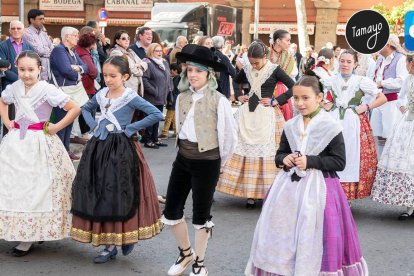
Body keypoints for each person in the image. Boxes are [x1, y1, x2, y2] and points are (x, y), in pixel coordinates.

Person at [245, 75, 368, 276]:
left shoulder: (331, 126)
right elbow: (280, 153)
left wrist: (310, 161)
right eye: (296, 98)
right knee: (284, 233)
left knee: (317, 235)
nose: (299, 103)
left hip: (320, 189)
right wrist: (284, 159)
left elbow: (339, 162)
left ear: (319, 98)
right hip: (287, 191)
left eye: (305, 98)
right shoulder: (291, 125)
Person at [70, 56, 164, 263]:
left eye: (113, 76)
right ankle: (109, 245)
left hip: (121, 150)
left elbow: (156, 114)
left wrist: (130, 128)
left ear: (125, 76)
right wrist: (93, 126)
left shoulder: (130, 97)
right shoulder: (102, 94)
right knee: (101, 192)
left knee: (121, 194)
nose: (108, 80)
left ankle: (123, 235)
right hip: (98, 148)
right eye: (105, 75)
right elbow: (85, 108)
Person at [162, 44, 237, 276]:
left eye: (198, 71)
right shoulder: (182, 97)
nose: (193, 75)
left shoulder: (219, 100)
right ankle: (186, 254)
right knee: (172, 210)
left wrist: (219, 164)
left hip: (207, 161)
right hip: (183, 157)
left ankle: (200, 262)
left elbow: (229, 137)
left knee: (201, 214)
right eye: (190, 70)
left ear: (209, 74)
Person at [0, 50, 80, 257]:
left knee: (38, 186)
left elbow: (74, 108)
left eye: (30, 70)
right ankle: (23, 230)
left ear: (40, 69)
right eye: (22, 69)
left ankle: (30, 236)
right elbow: (3, 100)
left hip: (39, 142)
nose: (26, 74)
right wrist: (7, 122)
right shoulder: (14, 88)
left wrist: (56, 127)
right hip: (16, 142)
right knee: (14, 185)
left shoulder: (47, 89)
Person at [217, 41, 295, 208]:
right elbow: (236, 81)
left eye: (256, 63)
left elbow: (293, 87)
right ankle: (250, 194)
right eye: (251, 63)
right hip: (247, 114)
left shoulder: (275, 69)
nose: (254, 66)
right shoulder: (247, 69)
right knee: (242, 148)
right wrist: (239, 95)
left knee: (268, 152)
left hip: (268, 114)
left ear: (264, 57)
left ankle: (266, 192)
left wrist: (276, 100)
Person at [326, 49, 387, 200]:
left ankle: (347, 196)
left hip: (354, 121)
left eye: (348, 62)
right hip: (334, 120)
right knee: (333, 153)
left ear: (355, 64)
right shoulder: (330, 79)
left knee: (353, 154)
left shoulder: (361, 81)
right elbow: (318, 95)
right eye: (342, 61)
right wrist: (326, 104)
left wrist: (366, 107)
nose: (345, 65)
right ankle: (332, 193)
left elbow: (382, 98)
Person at [371, 52, 414, 220]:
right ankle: (409, 204)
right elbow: (401, 97)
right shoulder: (409, 80)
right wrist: (403, 107)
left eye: (409, 64)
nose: (407, 67)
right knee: (406, 161)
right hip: (407, 123)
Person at [50, 26, 88, 161]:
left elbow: (86, 67)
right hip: (62, 91)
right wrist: (77, 71)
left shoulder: (71, 51)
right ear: (66, 36)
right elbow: (67, 71)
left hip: (71, 91)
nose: (78, 38)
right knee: (62, 123)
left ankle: (65, 150)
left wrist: (77, 68)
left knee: (69, 121)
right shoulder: (59, 50)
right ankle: (60, 153)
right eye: (75, 35)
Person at [371, 34, 408, 147]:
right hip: (378, 101)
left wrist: (382, 83)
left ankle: (388, 162)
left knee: (390, 134)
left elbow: (402, 81)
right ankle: (379, 160)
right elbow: (374, 76)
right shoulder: (380, 58)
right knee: (377, 133)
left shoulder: (401, 59)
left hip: (391, 102)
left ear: (387, 45)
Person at [0, 20, 34, 136]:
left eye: (18, 28)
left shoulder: (28, 46)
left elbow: (33, 64)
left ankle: (22, 142)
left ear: (23, 30)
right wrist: (21, 79)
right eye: (13, 28)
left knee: (24, 118)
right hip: (10, 87)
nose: (16, 30)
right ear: (9, 30)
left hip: (26, 89)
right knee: (10, 120)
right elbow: (3, 67)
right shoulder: (3, 46)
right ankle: (7, 145)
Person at [142, 43, 172, 149]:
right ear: (151, 51)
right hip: (152, 96)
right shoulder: (148, 62)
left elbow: (169, 76)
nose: (159, 53)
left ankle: (155, 138)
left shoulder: (164, 62)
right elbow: (144, 79)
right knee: (151, 119)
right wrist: (154, 91)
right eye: (157, 51)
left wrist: (170, 89)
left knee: (157, 118)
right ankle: (148, 140)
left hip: (162, 95)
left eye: (160, 51)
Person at [269, 29, 298, 120]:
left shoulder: (289, 56)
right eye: (287, 40)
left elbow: (293, 74)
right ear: (278, 41)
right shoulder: (265, 53)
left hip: (283, 90)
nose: (289, 43)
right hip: (266, 91)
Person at [109, 30, 147, 96]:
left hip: (136, 88)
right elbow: (133, 69)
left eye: (128, 38)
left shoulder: (130, 51)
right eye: (123, 38)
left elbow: (145, 63)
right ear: (117, 41)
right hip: (125, 88)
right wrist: (140, 69)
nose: (127, 40)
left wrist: (137, 65)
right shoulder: (116, 52)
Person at [23, 9, 53, 81]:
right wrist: (47, 52)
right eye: (40, 19)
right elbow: (38, 51)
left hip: (47, 72)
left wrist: (45, 53)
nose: (43, 21)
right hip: (35, 73)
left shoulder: (44, 33)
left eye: (43, 19)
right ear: (31, 20)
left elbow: (52, 49)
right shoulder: (26, 33)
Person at [159, 63, 181, 139]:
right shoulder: (178, 78)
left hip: (173, 100)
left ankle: (164, 133)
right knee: (173, 117)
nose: (170, 72)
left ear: (175, 70)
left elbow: (174, 90)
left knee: (168, 117)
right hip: (175, 100)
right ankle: (176, 132)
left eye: (171, 70)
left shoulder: (176, 79)